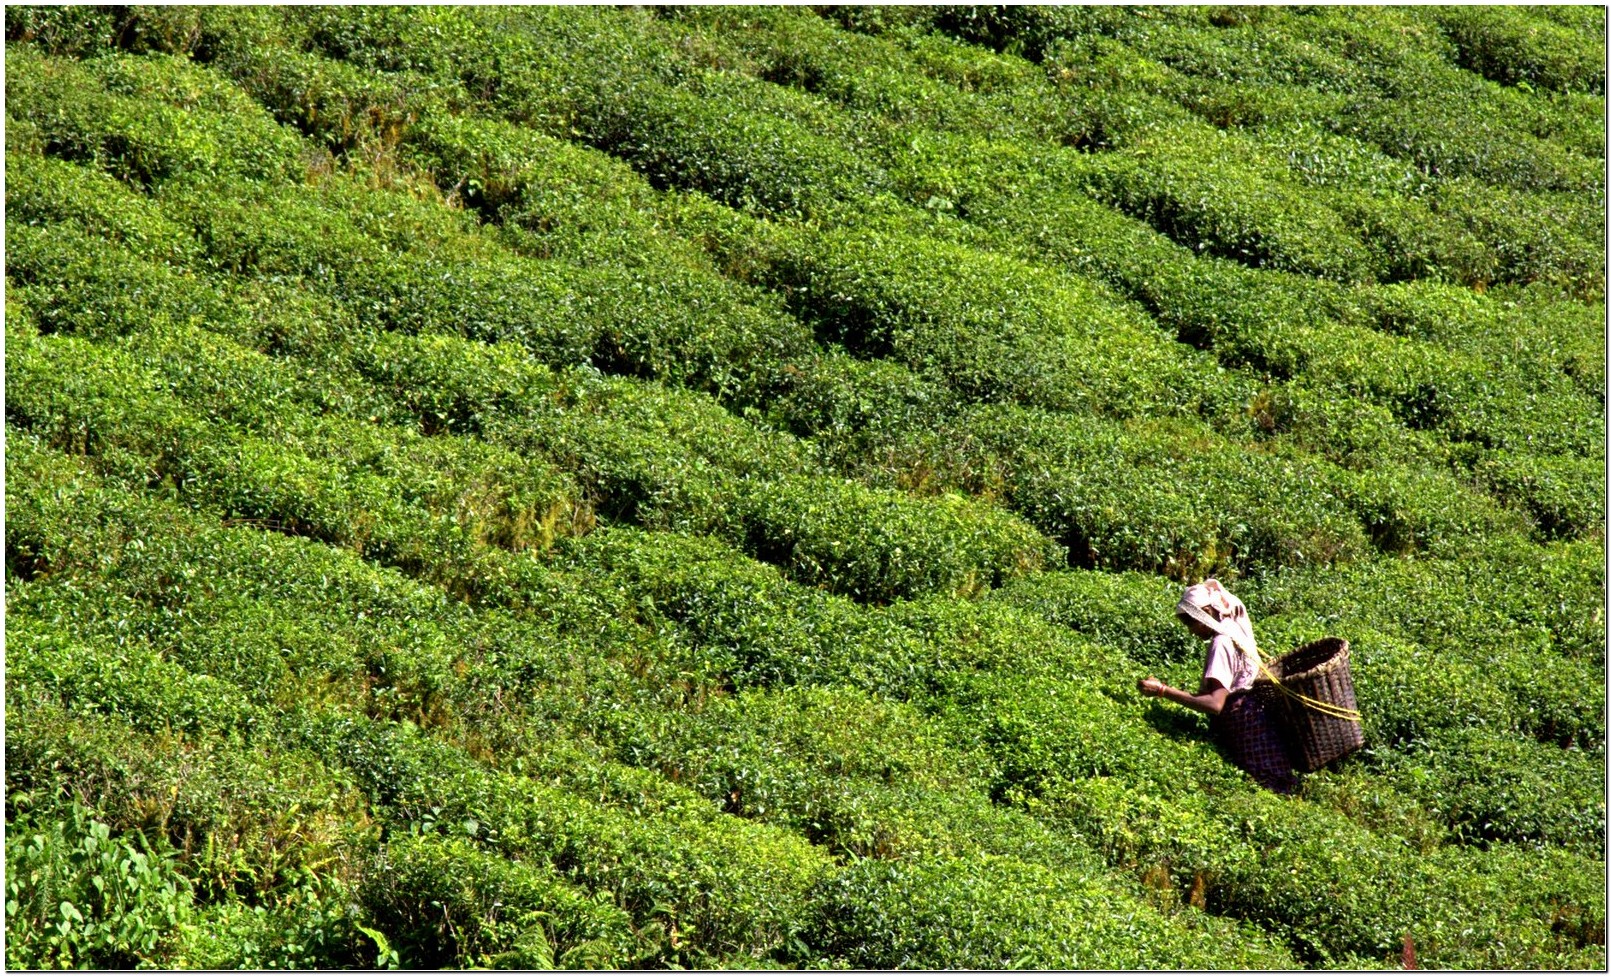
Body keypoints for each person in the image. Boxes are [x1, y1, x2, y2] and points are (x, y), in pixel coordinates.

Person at [1136, 579, 1296, 793]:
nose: (1191, 631)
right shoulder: (1232, 627)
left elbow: (1214, 703)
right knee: (1276, 785)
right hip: (1257, 720)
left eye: (1191, 623)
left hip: (1244, 725)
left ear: (1207, 612)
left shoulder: (1221, 642)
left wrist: (1162, 691)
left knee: (1266, 786)